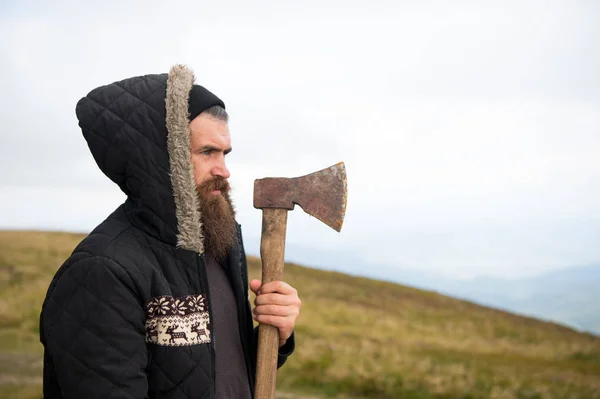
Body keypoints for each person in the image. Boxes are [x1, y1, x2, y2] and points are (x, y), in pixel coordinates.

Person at [39, 64, 302, 398]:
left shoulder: (221, 245)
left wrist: (275, 335)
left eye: (224, 153)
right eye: (207, 152)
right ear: (162, 157)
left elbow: (214, 374)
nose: (224, 170)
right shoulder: (102, 272)